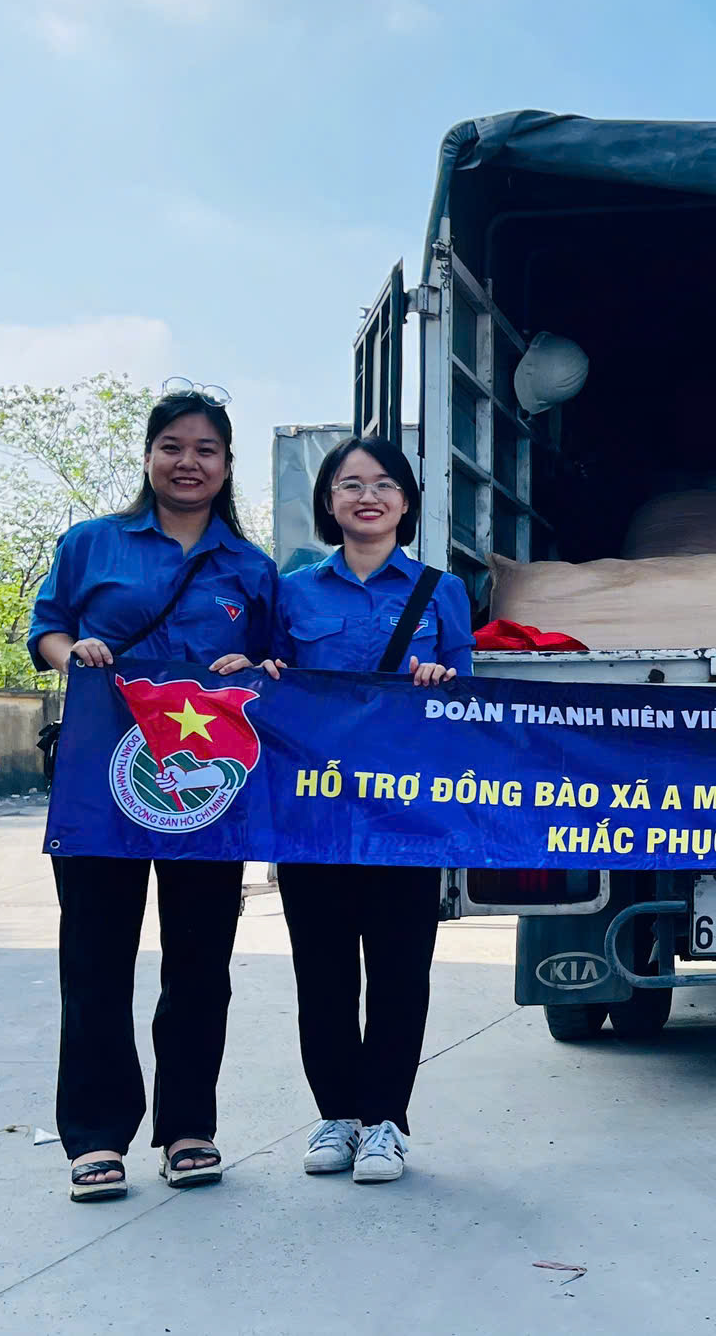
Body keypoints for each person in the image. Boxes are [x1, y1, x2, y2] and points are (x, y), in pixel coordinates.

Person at [28, 385, 278, 1202]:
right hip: (101, 780)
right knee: (94, 959)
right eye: (172, 446)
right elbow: (46, 628)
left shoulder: (252, 568)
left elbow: (276, 667)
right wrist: (74, 653)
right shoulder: (91, 544)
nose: (187, 462)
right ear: (147, 456)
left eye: (206, 449)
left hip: (208, 790)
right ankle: (95, 1137)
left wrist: (259, 667)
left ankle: (188, 1128)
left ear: (227, 465)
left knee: (200, 961)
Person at [260, 436, 473, 1185]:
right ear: (329, 501)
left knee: (399, 970)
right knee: (321, 972)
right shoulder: (293, 592)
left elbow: (466, 701)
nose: (367, 496)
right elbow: (266, 686)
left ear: (406, 501)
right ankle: (336, 1115)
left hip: (405, 816)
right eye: (350, 484)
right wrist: (267, 672)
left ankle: (385, 1122)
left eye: (383, 484)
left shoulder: (442, 590)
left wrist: (443, 679)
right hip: (312, 816)